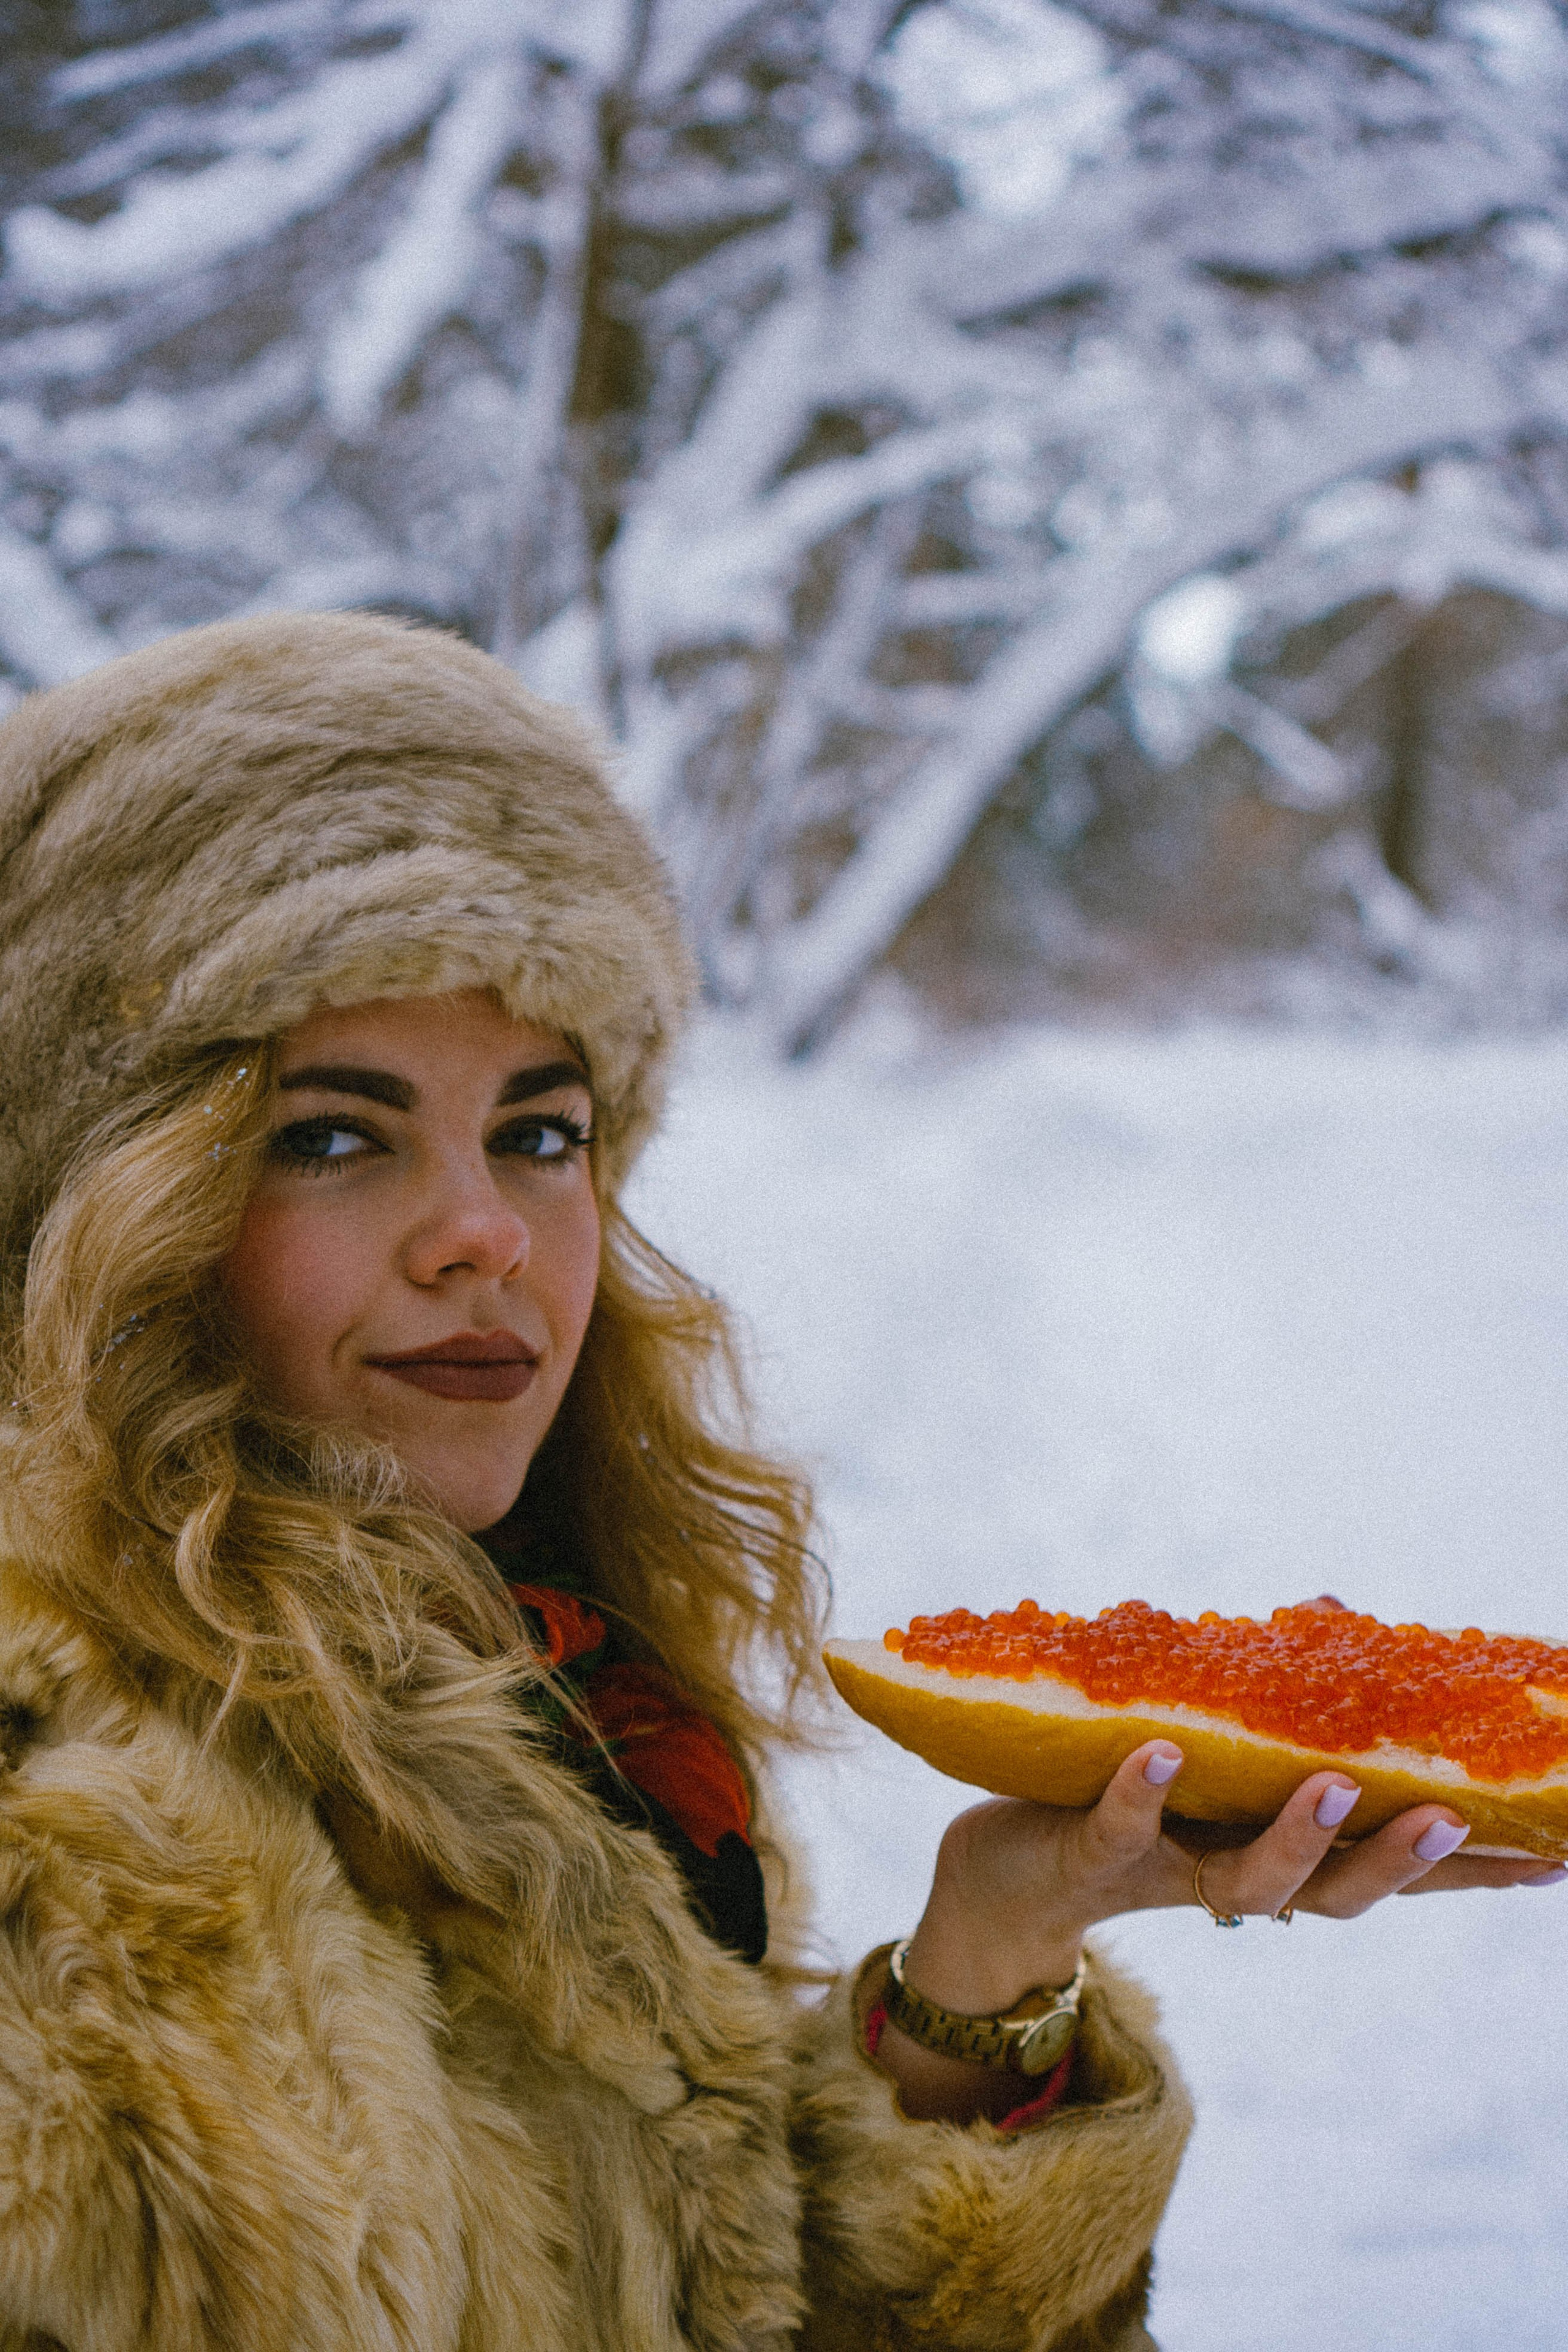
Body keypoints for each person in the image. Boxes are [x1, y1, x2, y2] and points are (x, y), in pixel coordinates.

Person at [0, 613, 1551, 2352]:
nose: (488, 1235)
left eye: (541, 1129)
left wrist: (992, 1972)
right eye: (335, 1135)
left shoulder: (574, 1713)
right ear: (95, 1210)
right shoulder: (52, 1860)